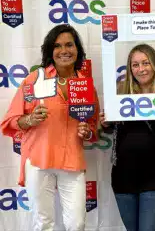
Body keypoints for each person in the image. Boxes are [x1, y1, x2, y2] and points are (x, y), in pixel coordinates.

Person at [1, 24, 99, 231]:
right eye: (58, 46)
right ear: (50, 51)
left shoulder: (85, 84)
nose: (64, 50)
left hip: (72, 160)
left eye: (69, 45)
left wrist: (88, 132)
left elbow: (92, 127)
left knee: (77, 223)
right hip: (38, 159)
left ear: (77, 50)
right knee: (43, 223)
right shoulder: (34, 80)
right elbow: (10, 121)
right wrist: (29, 120)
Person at [98, 44, 155, 231]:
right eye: (135, 65)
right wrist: (106, 123)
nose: (141, 69)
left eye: (146, 63)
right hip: (124, 178)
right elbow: (109, 130)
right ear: (130, 68)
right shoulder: (120, 93)